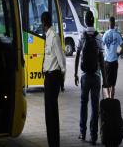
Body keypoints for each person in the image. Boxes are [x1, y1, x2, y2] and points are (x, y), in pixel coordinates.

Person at [74, 11, 103, 145]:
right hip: (96, 76)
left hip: (85, 76)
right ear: (94, 21)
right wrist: (106, 79)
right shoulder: (99, 37)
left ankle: (82, 132)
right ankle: (94, 136)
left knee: (83, 104)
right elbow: (101, 58)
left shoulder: (82, 36)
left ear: (85, 21)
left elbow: (78, 54)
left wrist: (75, 73)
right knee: (95, 105)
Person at [41, 11, 66, 147]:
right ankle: (51, 141)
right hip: (48, 77)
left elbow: (61, 58)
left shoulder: (54, 37)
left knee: (52, 112)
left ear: (44, 23)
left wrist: (61, 78)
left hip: (53, 77)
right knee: (48, 112)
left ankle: (54, 142)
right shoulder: (48, 36)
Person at [102, 17, 123, 99]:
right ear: (114, 24)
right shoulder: (117, 34)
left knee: (106, 83)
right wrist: (118, 54)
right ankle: (111, 99)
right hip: (114, 62)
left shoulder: (105, 34)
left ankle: (107, 98)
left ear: (108, 24)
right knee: (113, 84)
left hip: (106, 62)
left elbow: (101, 46)